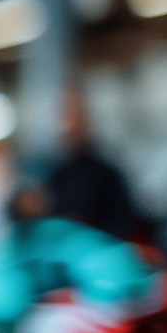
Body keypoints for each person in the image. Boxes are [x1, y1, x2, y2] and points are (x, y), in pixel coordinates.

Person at [44, 87, 140, 241]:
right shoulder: (46, 174)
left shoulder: (107, 175)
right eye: (65, 114)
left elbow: (120, 226)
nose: (70, 123)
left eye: (76, 114)